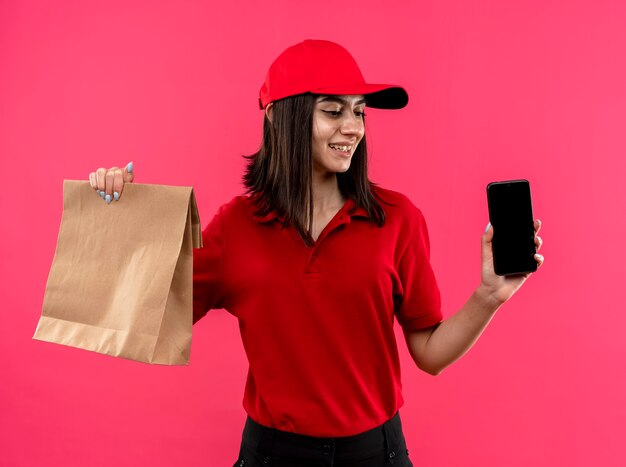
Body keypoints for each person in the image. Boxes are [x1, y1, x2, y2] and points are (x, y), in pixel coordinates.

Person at [89, 39, 544, 467]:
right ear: (278, 116)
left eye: (360, 112)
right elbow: (153, 315)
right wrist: (118, 217)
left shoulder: (398, 219)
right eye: (333, 111)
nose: (353, 128)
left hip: (376, 452)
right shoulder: (237, 225)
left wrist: (489, 295)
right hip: (273, 453)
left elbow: (429, 353)